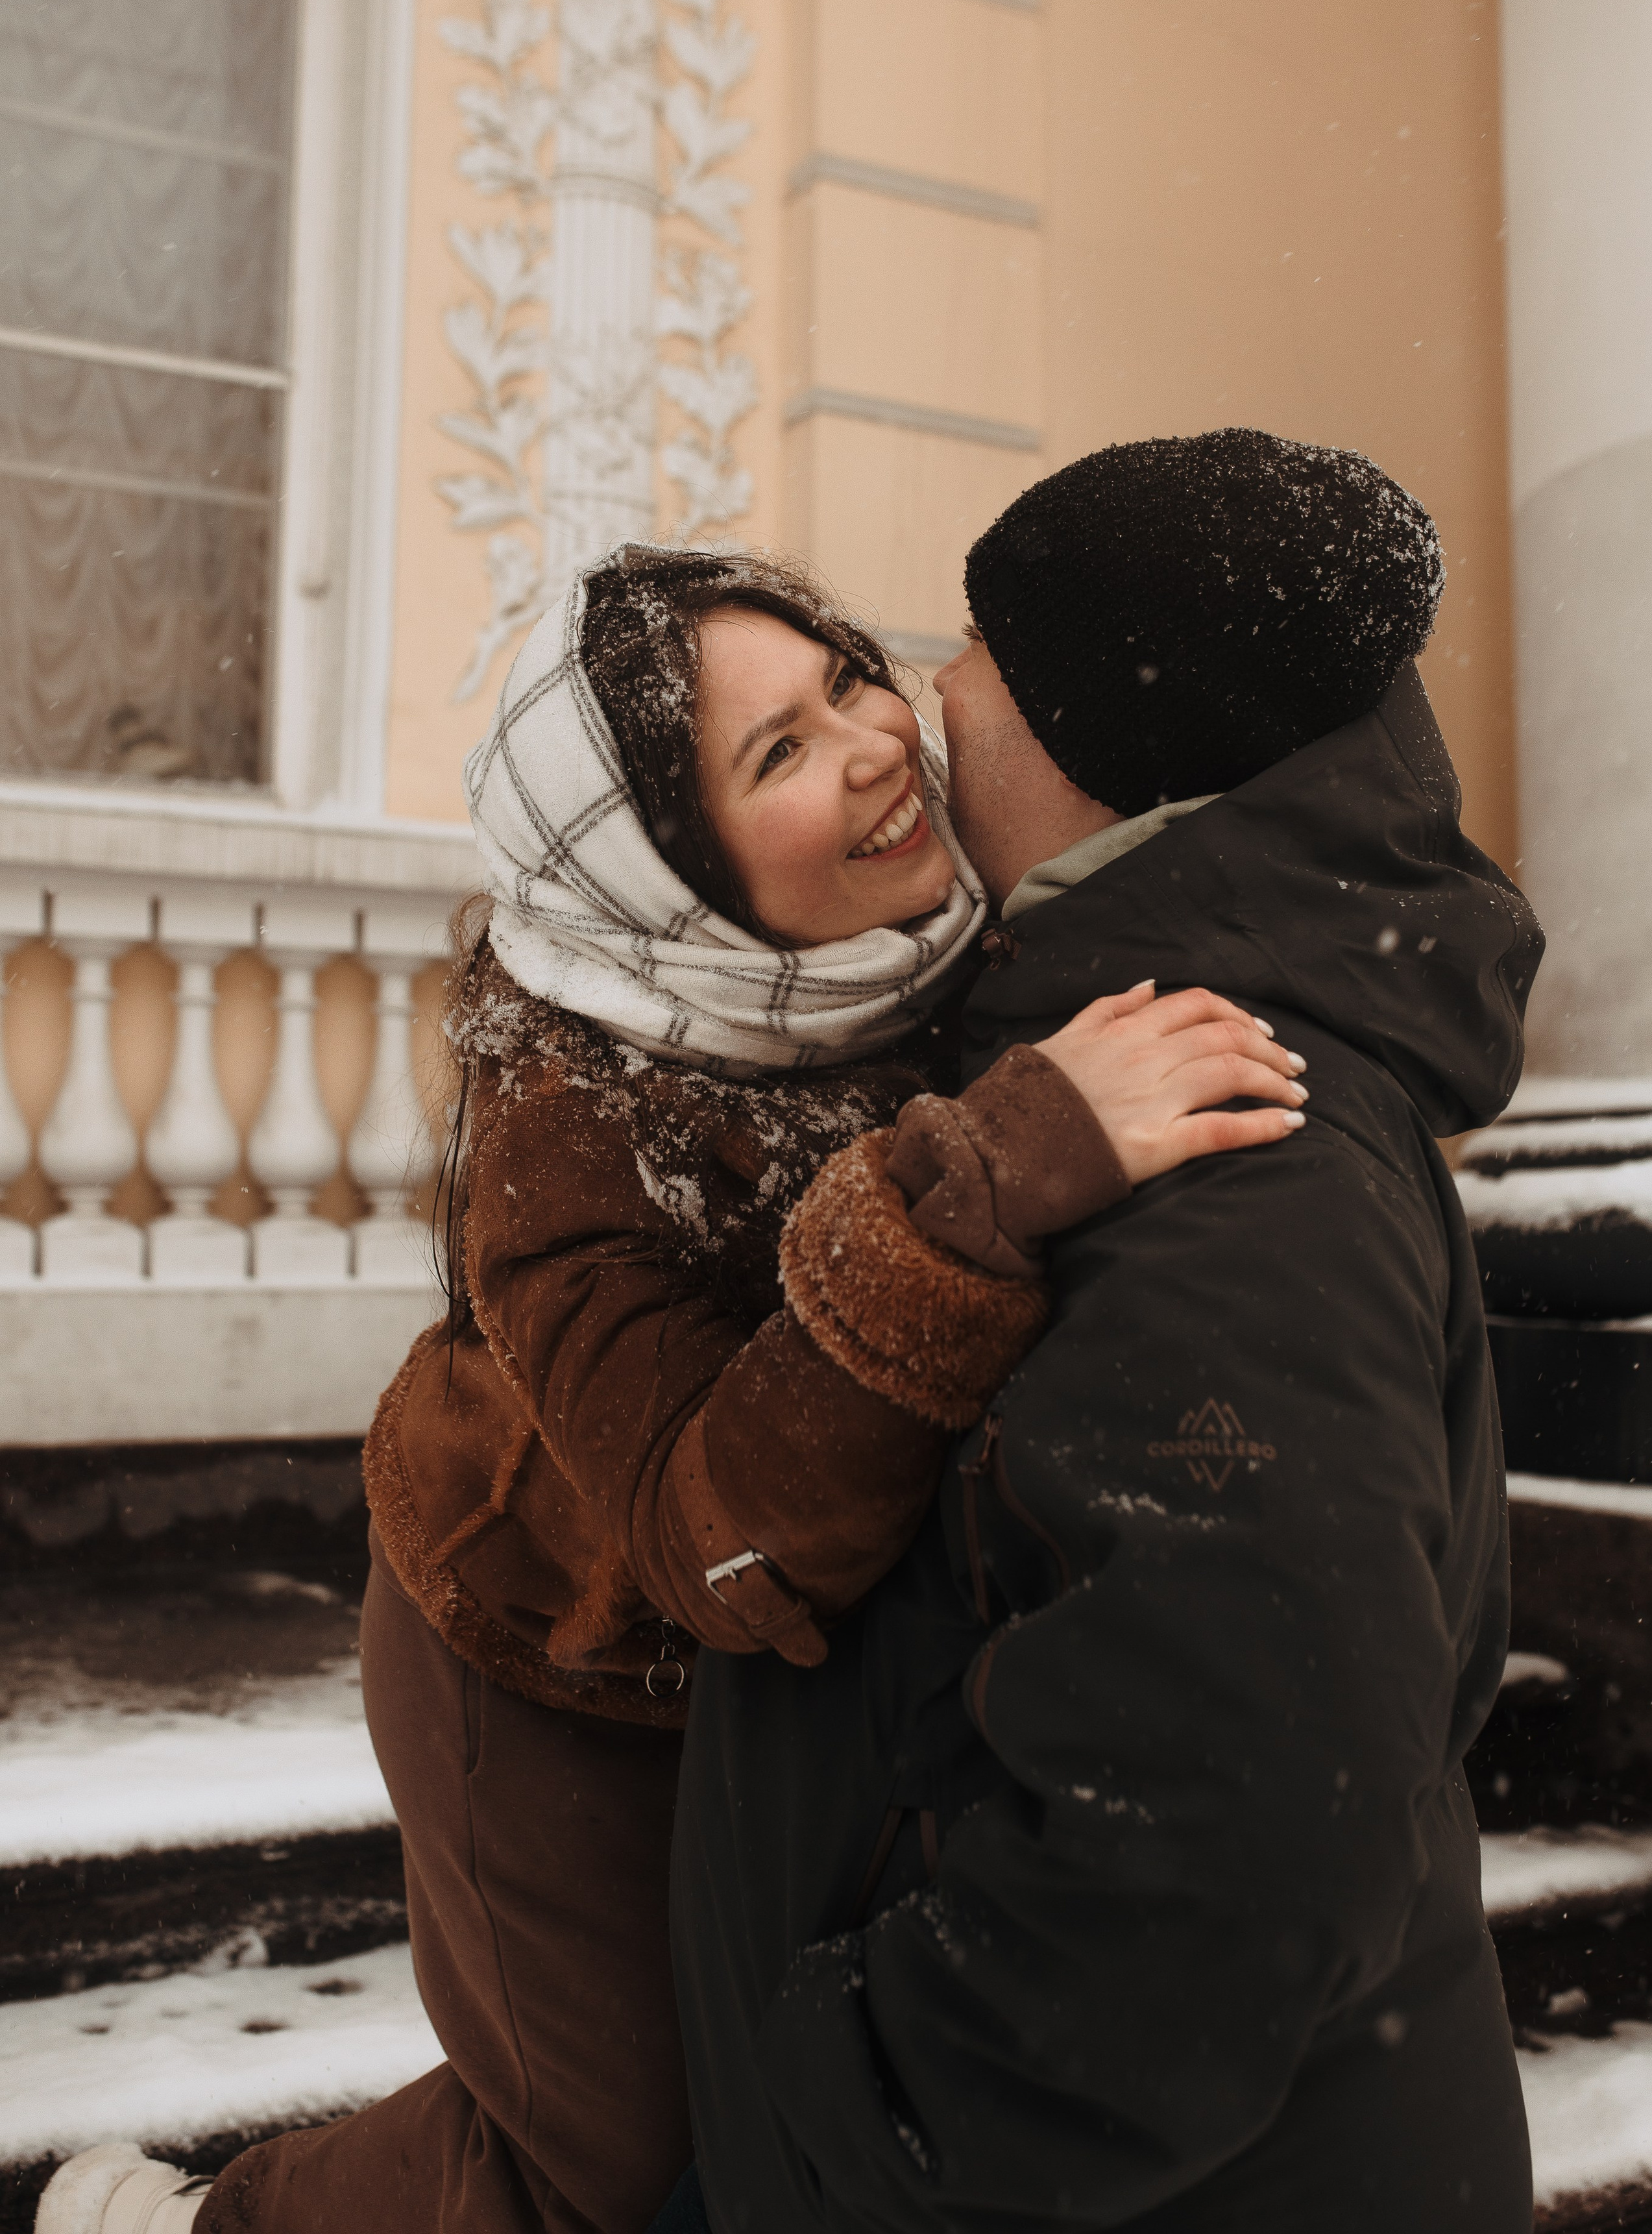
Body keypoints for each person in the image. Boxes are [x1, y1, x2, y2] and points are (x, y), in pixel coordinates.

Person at [38, 547, 1305, 2234]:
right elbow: (721, 1538)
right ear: (666, 870)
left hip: (810, 1693)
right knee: (609, 2171)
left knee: (738, 2095)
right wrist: (998, 1164)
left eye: (851, 678)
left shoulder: (930, 955)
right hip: (543, 1667)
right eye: (774, 752)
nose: (872, 743)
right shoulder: (572, 1129)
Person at [668, 430, 1544, 2234]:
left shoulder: (1230, 1164)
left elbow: (1234, 1833)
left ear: (1096, 739)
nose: (930, 698)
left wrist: (874, 2096)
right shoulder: (1163, 1073)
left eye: (974, 649)